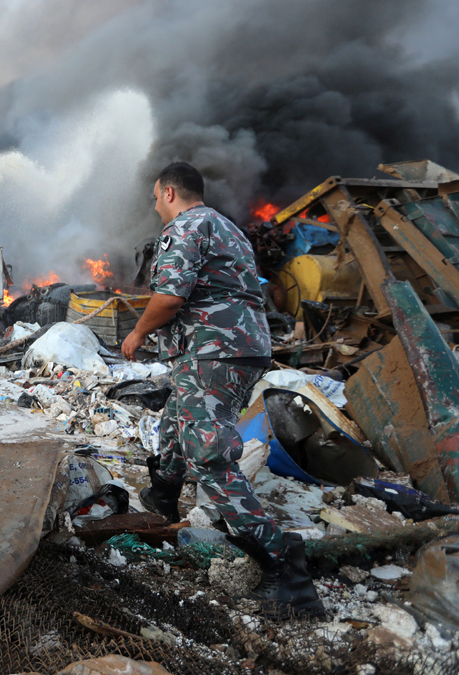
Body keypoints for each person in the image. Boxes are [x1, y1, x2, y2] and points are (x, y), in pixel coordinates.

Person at [121, 162, 324, 617]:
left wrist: (136, 334)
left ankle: (284, 567)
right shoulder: (227, 228)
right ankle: (163, 498)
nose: (155, 206)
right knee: (178, 419)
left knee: (209, 455)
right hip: (239, 348)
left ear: (170, 192)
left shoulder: (184, 227)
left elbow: (171, 297)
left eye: (156, 197)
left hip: (213, 352)